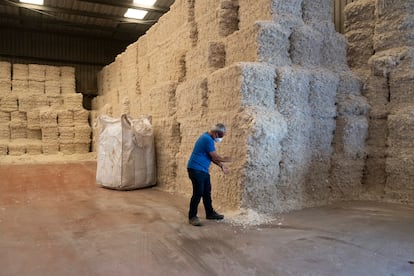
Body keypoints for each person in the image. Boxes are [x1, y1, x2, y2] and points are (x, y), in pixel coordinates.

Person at [187, 123, 232, 226]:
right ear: (216, 133)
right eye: (221, 136)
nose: (221, 138)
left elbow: (211, 158)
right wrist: (226, 160)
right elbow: (215, 157)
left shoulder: (208, 138)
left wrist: (221, 166)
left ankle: (210, 213)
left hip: (202, 170)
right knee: (198, 193)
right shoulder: (206, 139)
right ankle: (192, 216)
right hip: (196, 169)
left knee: (207, 192)